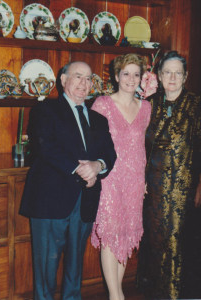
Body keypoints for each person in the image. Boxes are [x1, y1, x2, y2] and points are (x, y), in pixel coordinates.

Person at [19, 61, 117, 300]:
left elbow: (110, 154)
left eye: (88, 78)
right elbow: (45, 147)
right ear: (63, 80)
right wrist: (79, 169)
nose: (84, 84)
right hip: (50, 200)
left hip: (84, 202)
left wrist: (97, 166)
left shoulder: (98, 119)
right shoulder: (44, 110)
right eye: (77, 77)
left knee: (75, 270)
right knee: (46, 272)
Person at [137, 51, 201, 300]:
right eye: (167, 72)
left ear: (185, 77)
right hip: (152, 190)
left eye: (178, 73)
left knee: (181, 244)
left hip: (186, 192)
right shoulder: (149, 104)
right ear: (159, 76)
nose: (172, 77)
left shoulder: (197, 105)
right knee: (155, 243)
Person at [91, 53, 151, 300]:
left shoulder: (146, 107)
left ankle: (116, 293)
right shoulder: (102, 104)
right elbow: (92, 143)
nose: (131, 79)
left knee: (126, 234)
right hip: (110, 180)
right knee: (110, 233)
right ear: (116, 76)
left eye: (136, 74)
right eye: (126, 73)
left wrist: (145, 179)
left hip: (136, 180)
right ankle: (117, 296)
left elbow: (145, 146)